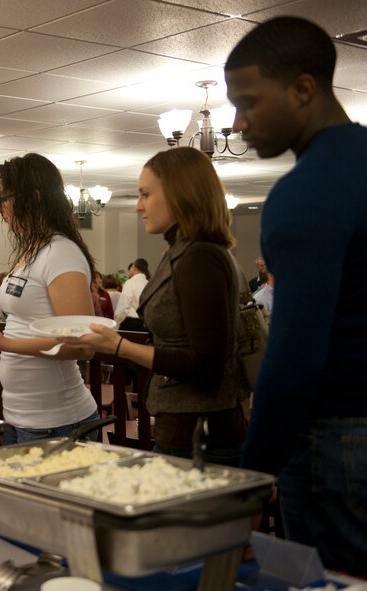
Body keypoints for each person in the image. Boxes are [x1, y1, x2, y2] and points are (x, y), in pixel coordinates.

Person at [225, 16, 367, 572]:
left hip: (340, 439)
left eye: (249, 102)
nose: (238, 123)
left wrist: (252, 475)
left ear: (303, 89)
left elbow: (295, 357)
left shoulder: (304, 194)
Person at [62, 147, 248, 465]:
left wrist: (120, 346)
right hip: (185, 428)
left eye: (146, 194)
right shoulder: (183, 251)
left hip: (199, 435)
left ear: (180, 193)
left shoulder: (199, 257)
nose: (138, 206)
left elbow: (206, 364)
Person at [0, 153, 100, 442]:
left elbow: (83, 345)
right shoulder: (33, 251)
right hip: (21, 417)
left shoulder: (61, 252)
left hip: (58, 421)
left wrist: (2, 343)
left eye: (2, 198)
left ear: (34, 197)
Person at [114, 258, 149, 331]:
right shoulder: (149, 284)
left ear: (134, 268)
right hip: (147, 324)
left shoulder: (130, 282)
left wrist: (116, 325)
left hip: (132, 323)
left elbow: (123, 306)